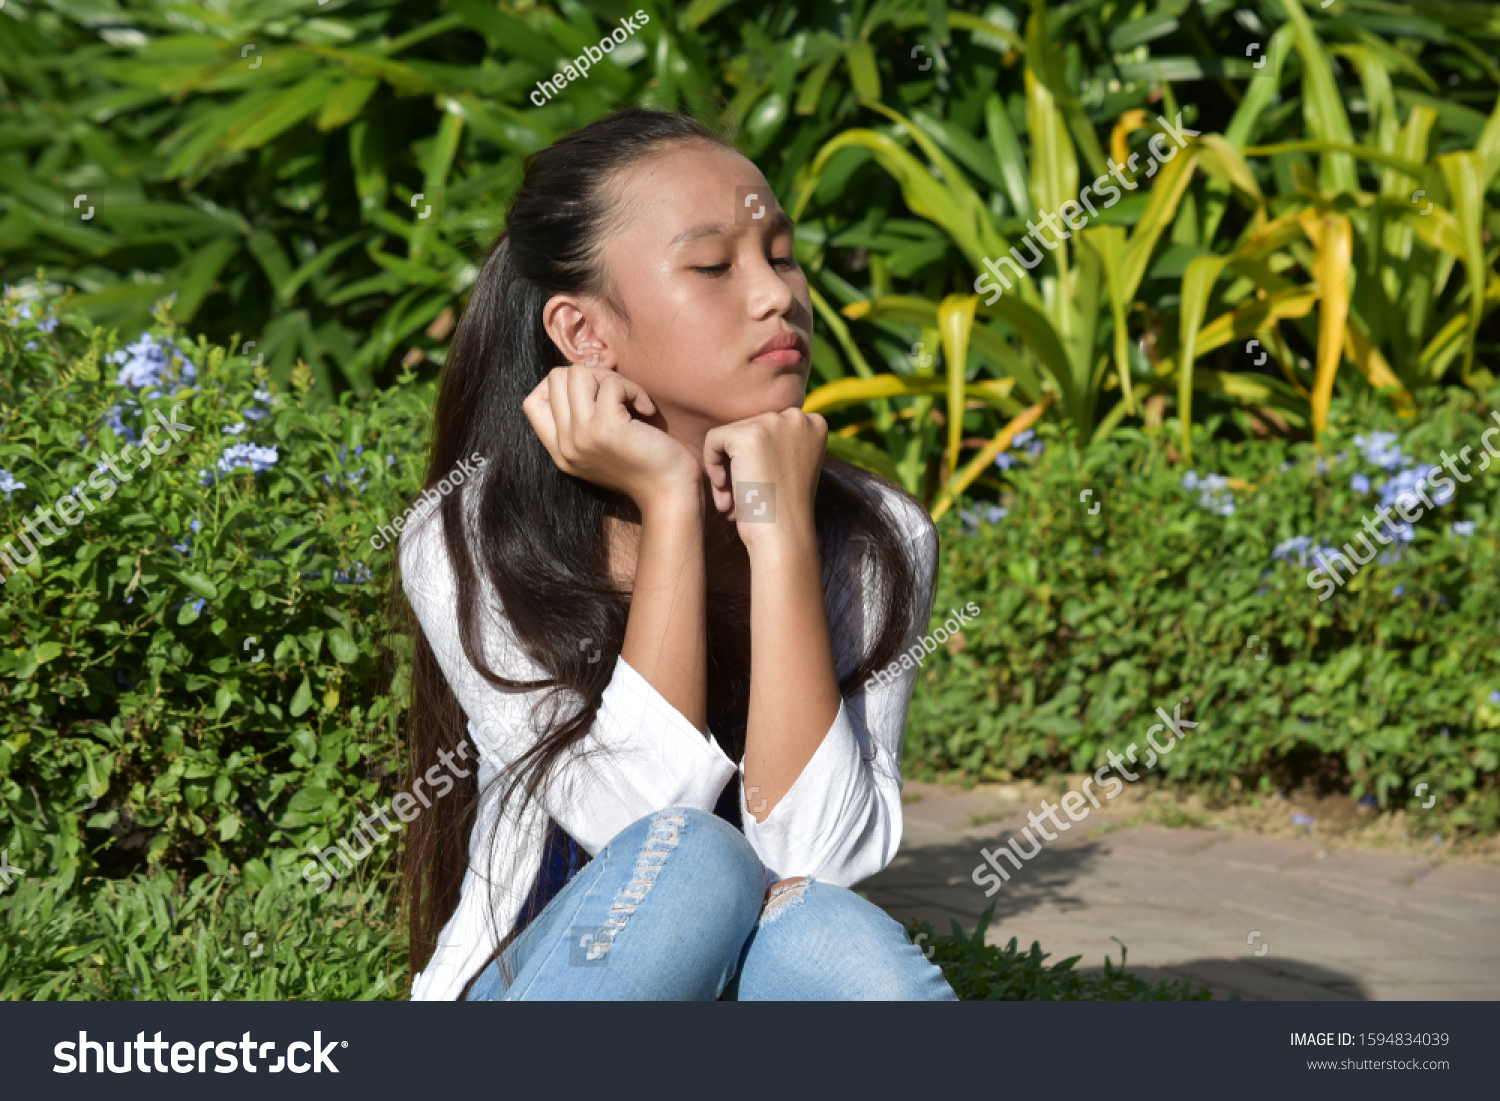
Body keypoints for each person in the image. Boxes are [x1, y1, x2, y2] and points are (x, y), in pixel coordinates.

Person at [396, 105, 955, 1001]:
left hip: (748, 986)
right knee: (695, 854)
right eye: (712, 265)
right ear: (585, 335)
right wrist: (669, 506)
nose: (777, 294)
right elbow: (644, 826)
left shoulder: (876, 536)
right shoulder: (472, 533)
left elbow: (819, 859)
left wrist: (779, 533)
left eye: (780, 252)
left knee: (839, 940)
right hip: (547, 982)